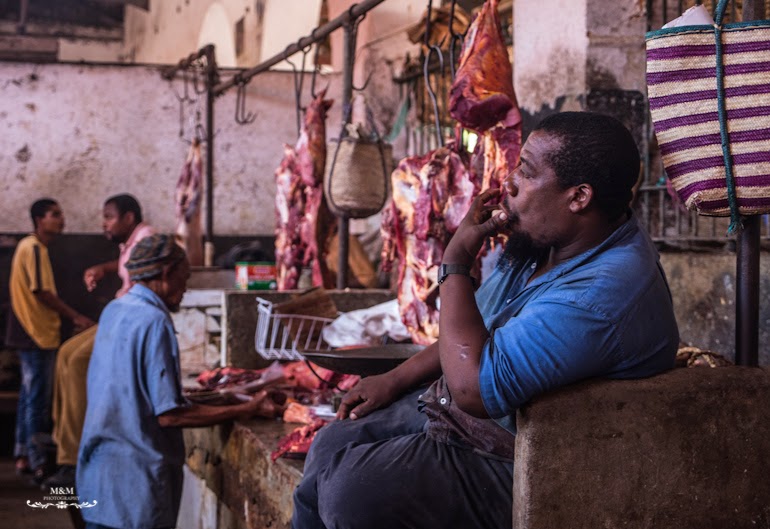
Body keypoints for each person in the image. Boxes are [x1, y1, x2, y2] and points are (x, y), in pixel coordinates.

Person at [291, 112, 680, 529]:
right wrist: (395, 379)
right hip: (475, 422)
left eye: (526, 173)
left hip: (537, 459)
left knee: (351, 494)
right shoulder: (552, 240)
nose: (508, 183)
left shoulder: (603, 293)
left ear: (578, 197)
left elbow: (471, 389)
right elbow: (475, 331)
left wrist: (455, 262)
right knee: (332, 443)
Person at [77, 234, 281, 529]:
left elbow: (138, 393)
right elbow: (170, 415)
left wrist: (223, 397)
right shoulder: (154, 320)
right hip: (135, 488)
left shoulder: (115, 309)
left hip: (98, 478)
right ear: (166, 273)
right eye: (184, 279)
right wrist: (245, 410)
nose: (185, 289)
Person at [46, 194, 155, 488]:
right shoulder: (132, 242)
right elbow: (125, 264)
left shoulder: (146, 239)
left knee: (79, 361)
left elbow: (142, 277)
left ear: (129, 218)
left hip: (129, 318)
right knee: (66, 353)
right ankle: (62, 440)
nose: (104, 223)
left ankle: (73, 454)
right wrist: (105, 268)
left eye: (109, 216)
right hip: (119, 312)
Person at [5, 198, 95, 484]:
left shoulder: (32, 248)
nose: (61, 220)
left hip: (32, 332)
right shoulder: (33, 248)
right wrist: (76, 317)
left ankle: (23, 454)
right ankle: (39, 461)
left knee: (29, 396)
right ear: (38, 220)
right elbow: (41, 292)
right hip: (36, 333)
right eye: (54, 215)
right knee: (37, 399)